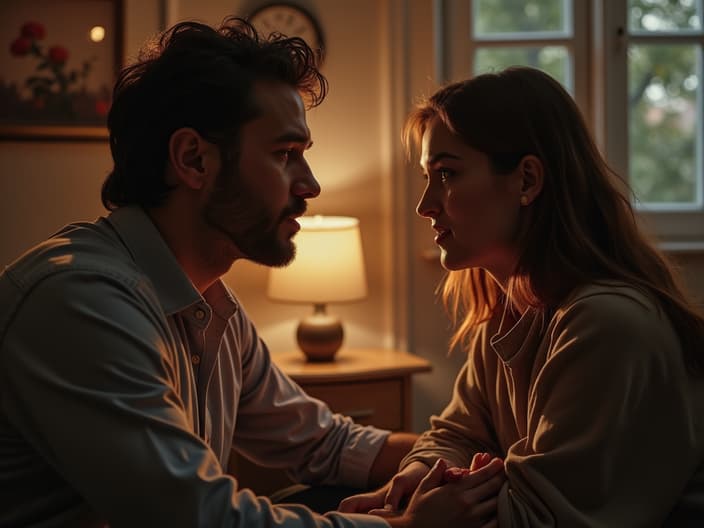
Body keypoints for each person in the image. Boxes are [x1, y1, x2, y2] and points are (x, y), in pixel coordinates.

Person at [0, 17, 467, 528]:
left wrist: (458, 463)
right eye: (285, 154)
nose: (310, 185)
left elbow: (327, 443)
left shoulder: (212, 308)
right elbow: (199, 518)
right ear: (193, 160)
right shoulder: (82, 302)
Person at [339, 66, 704, 526]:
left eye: (447, 174)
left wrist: (418, 520)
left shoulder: (605, 323)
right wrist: (417, 475)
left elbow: (542, 518)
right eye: (428, 176)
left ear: (527, 180)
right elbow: (455, 432)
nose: (425, 204)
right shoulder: (508, 311)